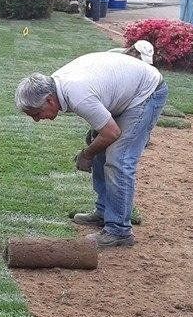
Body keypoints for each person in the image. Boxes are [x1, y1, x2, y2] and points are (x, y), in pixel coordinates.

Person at [15, 52, 167, 249]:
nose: (36, 119)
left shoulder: (78, 96)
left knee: (118, 159)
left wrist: (87, 154)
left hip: (146, 93)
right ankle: (104, 211)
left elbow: (112, 133)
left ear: (50, 100)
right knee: (97, 142)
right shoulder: (57, 86)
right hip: (127, 89)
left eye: (36, 114)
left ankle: (119, 231)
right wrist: (94, 145)